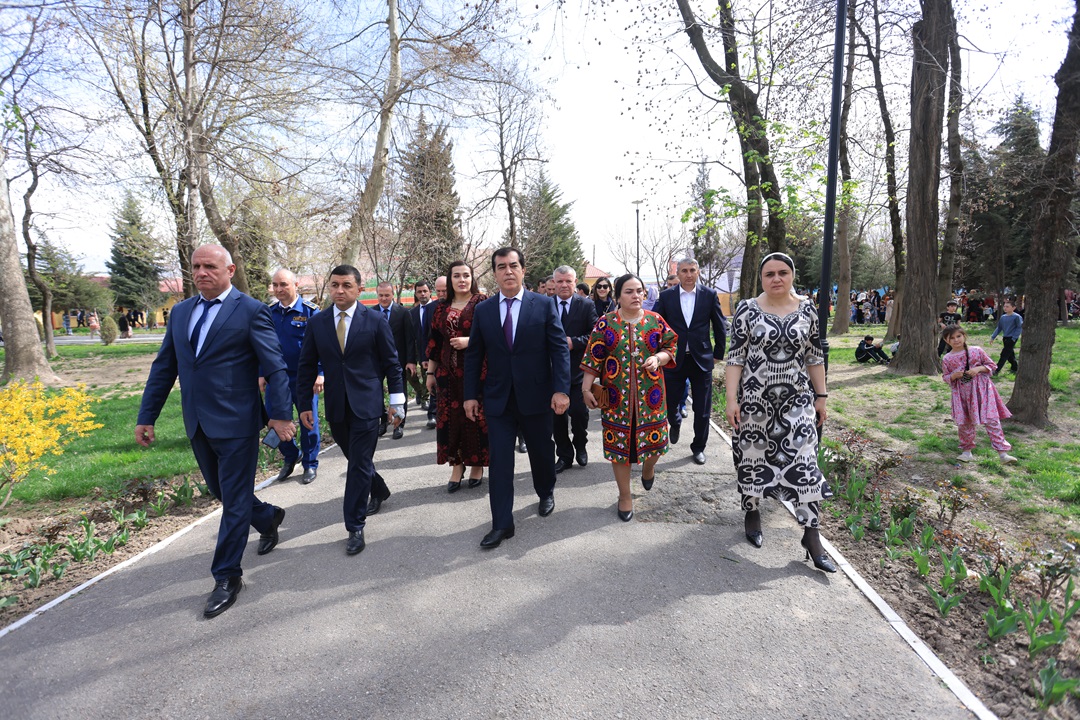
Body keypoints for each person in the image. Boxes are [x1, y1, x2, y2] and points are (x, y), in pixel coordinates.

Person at [135, 244, 296, 617]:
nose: (201, 272)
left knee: (234, 500)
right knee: (221, 491)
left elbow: (275, 367)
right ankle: (267, 517)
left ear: (230, 270)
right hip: (197, 421)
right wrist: (147, 416)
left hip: (238, 423)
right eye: (196, 266)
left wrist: (279, 414)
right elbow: (164, 367)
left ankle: (227, 576)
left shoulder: (251, 311)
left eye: (209, 266)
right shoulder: (181, 313)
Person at [724, 251, 836, 574]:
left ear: (792, 275)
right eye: (769, 274)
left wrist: (821, 396)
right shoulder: (747, 309)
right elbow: (735, 357)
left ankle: (812, 536)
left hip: (797, 402)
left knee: (805, 465)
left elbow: (814, 356)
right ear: (761, 278)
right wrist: (731, 399)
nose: (776, 278)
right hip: (754, 403)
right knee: (752, 459)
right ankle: (752, 511)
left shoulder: (807, 309)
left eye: (782, 272)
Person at [464, 247, 570, 549]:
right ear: (494, 273)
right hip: (498, 399)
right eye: (501, 267)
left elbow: (558, 349)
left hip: (537, 396)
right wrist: (470, 395)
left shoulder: (543, 304)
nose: (508, 271)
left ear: (523, 270)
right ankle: (502, 523)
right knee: (499, 461)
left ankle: (545, 491)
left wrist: (561, 390)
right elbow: (474, 355)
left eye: (513, 266)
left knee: (541, 451)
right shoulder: (484, 310)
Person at [297, 265, 404, 556]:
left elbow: (392, 364)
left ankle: (354, 525)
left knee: (357, 465)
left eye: (346, 285)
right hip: (337, 406)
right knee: (357, 459)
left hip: (367, 405)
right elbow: (306, 366)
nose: (340, 290)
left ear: (359, 289)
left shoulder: (375, 320)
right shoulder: (317, 323)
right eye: (335, 285)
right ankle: (379, 488)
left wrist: (397, 403)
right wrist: (304, 405)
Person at [582, 273, 678, 521]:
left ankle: (648, 467)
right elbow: (594, 356)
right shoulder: (605, 323)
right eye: (629, 291)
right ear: (618, 296)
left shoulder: (655, 320)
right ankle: (624, 495)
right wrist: (586, 389)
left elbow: (671, 346)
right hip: (616, 399)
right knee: (619, 448)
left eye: (639, 291)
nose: (636, 295)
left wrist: (658, 358)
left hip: (651, 397)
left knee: (656, 444)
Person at [653, 258, 727, 465]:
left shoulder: (709, 295)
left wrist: (718, 353)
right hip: (673, 359)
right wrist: (656, 353)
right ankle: (675, 421)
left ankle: (699, 447)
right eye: (684, 271)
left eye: (692, 270)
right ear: (678, 273)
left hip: (701, 360)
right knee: (670, 403)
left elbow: (719, 325)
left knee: (702, 409)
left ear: (698, 272)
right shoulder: (666, 296)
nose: (688, 274)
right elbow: (656, 325)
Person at [426, 261, 488, 492]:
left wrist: (470, 341)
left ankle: (477, 465)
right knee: (450, 421)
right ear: (450, 280)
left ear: (472, 278)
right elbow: (435, 342)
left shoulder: (483, 303)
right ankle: (457, 465)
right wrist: (430, 373)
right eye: (456, 276)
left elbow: (494, 335)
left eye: (466, 275)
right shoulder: (440, 308)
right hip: (447, 375)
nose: (462, 280)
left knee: (475, 418)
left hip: (477, 372)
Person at [261, 268, 322, 485]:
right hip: (276, 378)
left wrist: (320, 373)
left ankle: (310, 463)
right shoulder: (268, 313)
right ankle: (290, 454)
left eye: (284, 284)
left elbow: (323, 345)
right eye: (275, 285)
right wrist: (261, 373)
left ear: (296, 286)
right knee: (273, 419)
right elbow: (261, 346)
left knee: (308, 421)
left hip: (304, 378)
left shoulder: (311, 312)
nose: (279, 289)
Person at [941, 325, 1016, 464]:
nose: (956, 340)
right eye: (952, 338)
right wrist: (953, 376)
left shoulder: (976, 350)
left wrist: (978, 369)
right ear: (946, 340)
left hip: (983, 391)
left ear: (964, 336)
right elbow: (945, 376)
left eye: (958, 336)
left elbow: (991, 365)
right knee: (965, 423)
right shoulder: (947, 358)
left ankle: (1003, 454)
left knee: (992, 420)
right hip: (962, 395)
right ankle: (966, 452)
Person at [551, 265, 599, 474]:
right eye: (559, 281)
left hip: (578, 371)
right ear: (554, 283)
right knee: (557, 418)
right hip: (552, 372)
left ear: (575, 282)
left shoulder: (586, 305)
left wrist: (575, 342)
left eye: (568, 281)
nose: (564, 285)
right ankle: (564, 455)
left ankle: (580, 445)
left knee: (579, 414)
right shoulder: (545, 305)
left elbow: (595, 334)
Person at [375, 282, 415, 440]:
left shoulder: (403, 313)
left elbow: (410, 339)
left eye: (387, 295)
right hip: (377, 361)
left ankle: (399, 424)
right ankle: (383, 420)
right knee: (376, 391)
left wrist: (411, 360)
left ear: (392, 294)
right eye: (381, 295)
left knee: (399, 391)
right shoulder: (371, 313)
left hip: (398, 360)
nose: (384, 298)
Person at [409, 279, 438, 428]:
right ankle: (431, 412)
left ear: (430, 292)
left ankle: (433, 413)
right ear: (415, 294)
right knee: (429, 382)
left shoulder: (438, 307)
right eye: (419, 292)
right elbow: (414, 337)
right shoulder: (412, 313)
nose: (422, 294)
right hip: (422, 354)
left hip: (439, 353)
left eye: (425, 291)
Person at [989, 299, 1022, 375]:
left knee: (1004, 354)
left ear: (1013, 308)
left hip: (1012, 338)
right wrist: (993, 337)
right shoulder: (1003, 317)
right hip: (1005, 337)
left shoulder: (1017, 317)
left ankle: (996, 370)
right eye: (1004, 306)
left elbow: (1019, 327)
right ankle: (1015, 367)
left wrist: (1014, 338)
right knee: (1010, 354)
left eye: (1007, 306)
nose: (1005, 308)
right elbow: (999, 328)